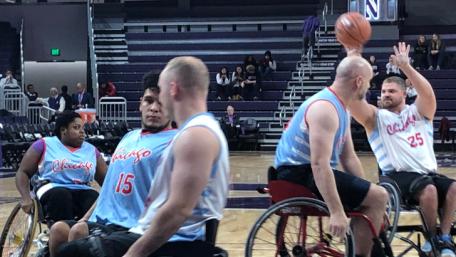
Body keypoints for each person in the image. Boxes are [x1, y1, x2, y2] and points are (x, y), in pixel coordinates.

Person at [56, 56, 230, 257]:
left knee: (72, 252)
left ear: (172, 89)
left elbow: (178, 210)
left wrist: (133, 254)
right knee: (68, 238)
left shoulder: (196, 135)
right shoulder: (197, 131)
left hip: (172, 242)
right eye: (149, 99)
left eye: (161, 92)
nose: (156, 105)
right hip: (151, 233)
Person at [47, 71, 176, 257]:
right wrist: (84, 219)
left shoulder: (177, 142)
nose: (154, 108)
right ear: (140, 103)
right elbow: (108, 188)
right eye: (149, 101)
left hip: (135, 226)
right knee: (59, 230)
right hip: (107, 220)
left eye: (162, 103)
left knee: (76, 238)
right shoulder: (128, 137)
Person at [274, 54, 388, 257]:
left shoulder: (341, 108)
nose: (369, 87)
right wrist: (336, 211)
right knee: (380, 196)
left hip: (306, 171)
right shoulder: (325, 109)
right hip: (297, 174)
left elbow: (349, 157)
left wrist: (366, 195)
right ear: (358, 81)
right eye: (368, 82)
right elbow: (318, 164)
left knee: (375, 197)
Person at [349, 42, 456, 257]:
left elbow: (428, 94)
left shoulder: (418, 111)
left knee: (454, 187)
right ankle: (431, 239)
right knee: (430, 190)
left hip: (427, 174)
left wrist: (406, 67)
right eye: (383, 91)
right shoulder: (376, 118)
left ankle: (444, 237)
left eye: (391, 91)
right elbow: (353, 104)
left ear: (405, 93)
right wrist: (356, 79)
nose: (385, 94)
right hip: (396, 178)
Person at [15, 111, 107, 227]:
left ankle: (86, 239)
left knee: (93, 197)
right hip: (51, 188)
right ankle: (59, 236)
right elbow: (23, 172)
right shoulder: (44, 144)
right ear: (63, 130)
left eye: (82, 127)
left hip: (83, 189)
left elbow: (107, 181)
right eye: (76, 127)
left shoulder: (91, 150)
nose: (82, 131)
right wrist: (25, 197)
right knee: (61, 195)